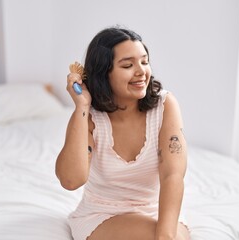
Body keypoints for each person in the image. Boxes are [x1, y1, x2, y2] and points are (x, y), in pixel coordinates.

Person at [55, 26, 189, 240]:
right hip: (102, 214)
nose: (141, 71)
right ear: (103, 74)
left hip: (155, 211)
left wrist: (166, 235)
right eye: (128, 65)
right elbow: (71, 180)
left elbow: (172, 173)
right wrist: (82, 106)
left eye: (144, 62)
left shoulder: (165, 105)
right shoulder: (90, 116)